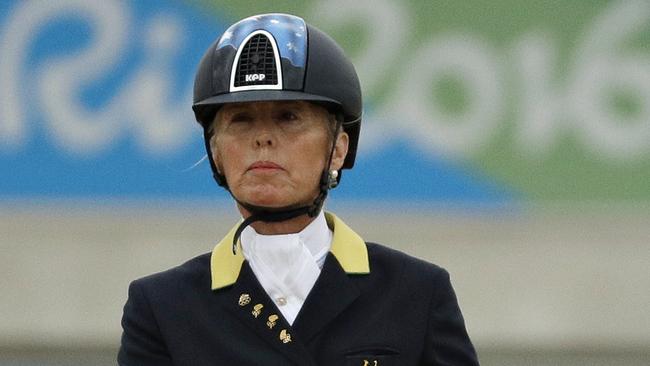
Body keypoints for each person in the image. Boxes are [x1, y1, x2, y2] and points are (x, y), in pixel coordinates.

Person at [118, 13, 479, 366]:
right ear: (215, 151)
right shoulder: (162, 307)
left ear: (338, 148)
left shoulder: (416, 293)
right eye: (241, 120)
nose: (263, 138)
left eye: (288, 117)